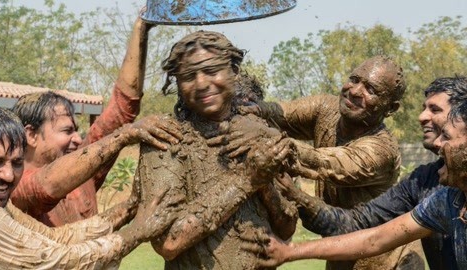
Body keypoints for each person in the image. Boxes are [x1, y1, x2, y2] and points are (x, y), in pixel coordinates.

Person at [211, 55, 417, 269]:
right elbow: (272, 111)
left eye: (371, 90)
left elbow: (321, 162)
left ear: (391, 108)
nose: (355, 91)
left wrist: (260, 135)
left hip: (388, 261)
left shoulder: (381, 151)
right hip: (339, 250)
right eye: (354, 79)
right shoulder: (326, 109)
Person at [255, 76, 467, 270]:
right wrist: (290, 248)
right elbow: (371, 236)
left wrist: (274, 148)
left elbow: (328, 163)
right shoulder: (439, 197)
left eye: (435, 110)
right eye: (354, 79)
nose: (422, 117)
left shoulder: (382, 150)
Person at [137, 30, 298, 269]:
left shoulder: (262, 133)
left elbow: (287, 227)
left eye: (212, 71)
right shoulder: (166, 139)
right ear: (178, 84)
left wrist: (265, 184)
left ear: (234, 72)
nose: (201, 84)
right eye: (189, 76)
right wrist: (246, 179)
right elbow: (168, 242)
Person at [10, 11, 182, 226]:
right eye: (66, 131)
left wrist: (141, 28)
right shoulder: (10, 187)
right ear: (31, 135)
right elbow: (46, 187)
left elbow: (122, 110)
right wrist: (123, 135)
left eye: (76, 130)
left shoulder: (83, 175)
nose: (76, 138)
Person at [0, 104, 181, 269]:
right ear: (32, 134)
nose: (9, 175)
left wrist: (130, 208)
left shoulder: (0, 206)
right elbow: (60, 261)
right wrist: (136, 232)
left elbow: (56, 237)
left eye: (17, 162)